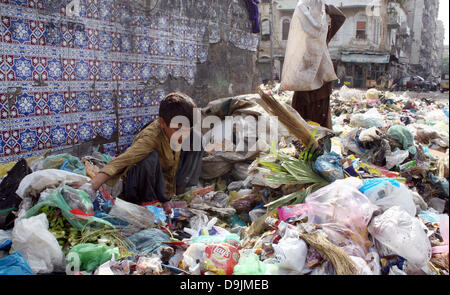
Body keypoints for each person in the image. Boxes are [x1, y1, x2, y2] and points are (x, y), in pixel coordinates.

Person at [73, 92, 203, 212]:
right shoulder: (151, 137)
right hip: (140, 187)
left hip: (165, 182)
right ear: (162, 122)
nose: (183, 136)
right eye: (177, 130)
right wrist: (92, 186)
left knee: (197, 139)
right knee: (147, 158)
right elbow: (122, 161)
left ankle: (181, 193)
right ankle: (151, 205)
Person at [291, 4, 346, 129]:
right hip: (304, 87)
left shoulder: (323, 35)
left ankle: (320, 144)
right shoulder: (299, 39)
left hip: (320, 86)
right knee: (301, 121)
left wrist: (325, 7)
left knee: (319, 120)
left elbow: (339, 18)